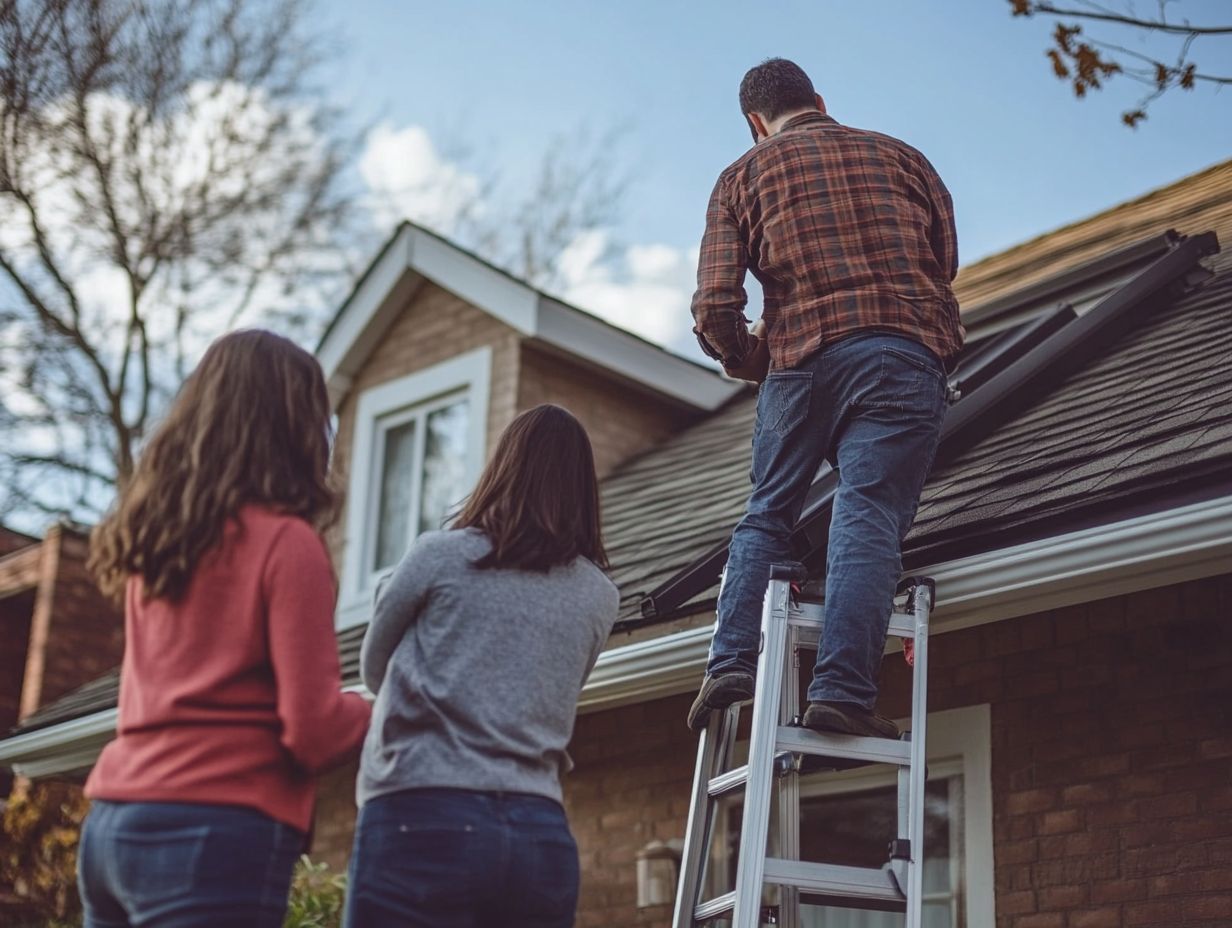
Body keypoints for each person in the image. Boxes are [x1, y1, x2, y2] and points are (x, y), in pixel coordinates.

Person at [687, 58, 964, 738]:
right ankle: (841, 691)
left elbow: (715, 303)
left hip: (801, 363)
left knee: (767, 513)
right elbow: (943, 261)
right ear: (817, 100)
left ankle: (730, 662)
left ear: (757, 122)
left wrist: (750, 358)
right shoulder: (904, 158)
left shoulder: (741, 177)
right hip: (901, 354)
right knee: (866, 516)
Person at [80, 330, 372, 928]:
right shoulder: (288, 544)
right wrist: (385, 704)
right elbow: (312, 729)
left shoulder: (159, 545)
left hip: (112, 824)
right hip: (212, 830)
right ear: (297, 426)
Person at [345, 404, 620, 928]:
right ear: (583, 489)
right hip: (539, 833)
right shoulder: (599, 596)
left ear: (502, 469)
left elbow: (374, 668)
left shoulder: (438, 556)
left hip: (422, 815)